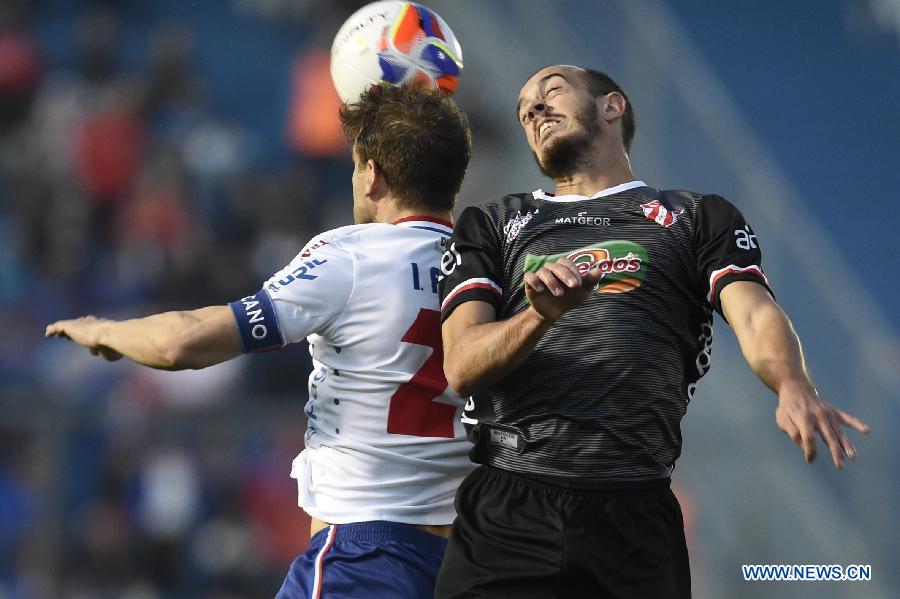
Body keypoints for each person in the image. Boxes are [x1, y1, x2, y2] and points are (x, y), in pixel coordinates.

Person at [434, 65, 870, 598]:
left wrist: (793, 384)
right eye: (525, 109)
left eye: (551, 92)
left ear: (612, 106)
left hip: (634, 515)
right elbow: (460, 365)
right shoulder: (491, 223)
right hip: (507, 512)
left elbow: (753, 313)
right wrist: (538, 316)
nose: (533, 110)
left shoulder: (697, 217)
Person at [46, 84, 475, 599]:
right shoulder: (489, 271)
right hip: (459, 562)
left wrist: (106, 333)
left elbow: (184, 343)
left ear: (373, 174)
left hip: (362, 556)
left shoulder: (352, 258)